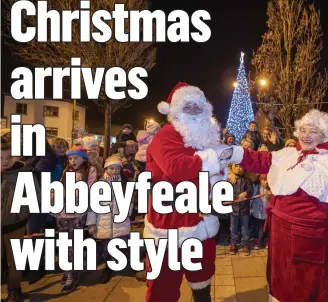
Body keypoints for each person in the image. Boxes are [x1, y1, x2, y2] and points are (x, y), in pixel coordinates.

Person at [220, 109, 328, 302]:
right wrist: (230, 153)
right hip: (281, 239)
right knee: (281, 284)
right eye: (303, 130)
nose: (306, 135)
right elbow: (259, 159)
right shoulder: (289, 155)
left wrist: (323, 222)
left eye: (313, 131)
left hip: (315, 243)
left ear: (325, 135)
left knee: (313, 289)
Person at [144, 82, 228, 302]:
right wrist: (212, 160)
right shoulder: (166, 135)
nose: (193, 111)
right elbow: (176, 168)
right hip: (169, 221)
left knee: (202, 276)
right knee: (163, 284)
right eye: (187, 106)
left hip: (201, 217)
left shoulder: (206, 137)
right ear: (175, 111)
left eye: (197, 107)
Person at [56, 146, 98, 293]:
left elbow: (91, 191)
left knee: (74, 245)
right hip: (62, 213)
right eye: (71, 158)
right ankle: (68, 270)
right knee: (63, 244)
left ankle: (72, 274)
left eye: (76, 158)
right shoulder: (66, 171)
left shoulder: (89, 171)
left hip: (78, 214)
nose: (73, 161)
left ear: (84, 158)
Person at [87, 154, 133, 284]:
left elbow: (130, 202)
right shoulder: (99, 184)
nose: (114, 171)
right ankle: (108, 268)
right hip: (103, 222)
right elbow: (92, 206)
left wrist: (126, 212)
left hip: (120, 221)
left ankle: (118, 264)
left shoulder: (124, 183)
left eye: (117, 168)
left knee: (119, 245)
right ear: (106, 168)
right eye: (111, 168)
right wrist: (91, 223)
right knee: (106, 249)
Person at [2, 143, 39, 302]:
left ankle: (14, 290)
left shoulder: (24, 173)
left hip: (15, 226)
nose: (4, 161)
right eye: (0, 158)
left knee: (15, 260)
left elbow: (34, 198)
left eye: (8, 157)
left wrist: (20, 215)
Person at [227, 163, 253, 256]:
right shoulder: (230, 179)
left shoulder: (247, 179)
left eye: (241, 166)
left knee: (245, 227)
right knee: (233, 227)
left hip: (244, 209)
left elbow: (251, 191)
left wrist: (245, 193)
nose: (239, 168)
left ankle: (245, 244)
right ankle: (233, 243)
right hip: (233, 209)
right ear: (232, 168)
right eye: (236, 166)